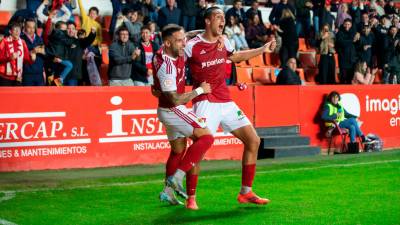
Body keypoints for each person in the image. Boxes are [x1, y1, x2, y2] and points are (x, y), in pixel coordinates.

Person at [185, 6, 275, 205]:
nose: (223, 21)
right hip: (205, 102)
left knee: (253, 140)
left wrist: (262, 49)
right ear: (208, 21)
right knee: (199, 148)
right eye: (218, 17)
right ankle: (190, 196)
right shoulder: (191, 45)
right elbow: (173, 55)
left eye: (223, 18)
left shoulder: (223, 41)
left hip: (225, 101)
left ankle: (246, 192)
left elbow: (235, 57)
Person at [154, 24, 214, 210]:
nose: (184, 44)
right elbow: (175, 99)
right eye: (180, 41)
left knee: (178, 151)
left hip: (166, 109)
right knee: (206, 137)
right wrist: (200, 90)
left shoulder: (167, 48)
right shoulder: (167, 66)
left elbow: (185, 34)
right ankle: (176, 179)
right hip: (173, 109)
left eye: (183, 40)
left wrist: (204, 32)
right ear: (167, 43)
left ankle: (167, 193)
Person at [21, 18, 46, 86]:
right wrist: (31, 51)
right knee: (27, 95)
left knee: (40, 95)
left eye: (33, 27)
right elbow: (19, 54)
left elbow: (45, 54)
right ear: (25, 27)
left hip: (39, 73)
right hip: (27, 73)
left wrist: (44, 52)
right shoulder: (21, 39)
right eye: (29, 27)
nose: (31, 30)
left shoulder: (39, 39)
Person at [336, 18, 358, 84]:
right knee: (342, 77)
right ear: (343, 24)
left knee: (350, 78)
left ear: (351, 25)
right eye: (346, 24)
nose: (347, 26)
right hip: (343, 58)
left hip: (351, 58)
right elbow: (341, 42)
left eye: (349, 24)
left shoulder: (354, 33)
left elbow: (357, 43)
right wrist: (351, 41)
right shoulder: (340, 33)